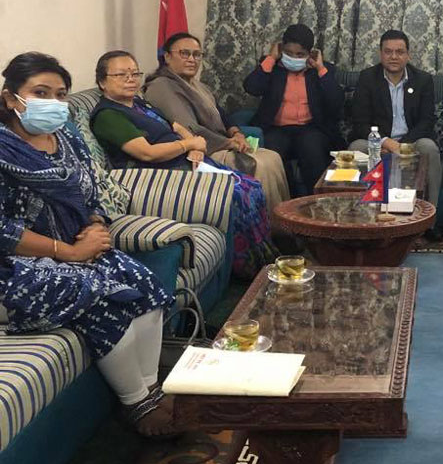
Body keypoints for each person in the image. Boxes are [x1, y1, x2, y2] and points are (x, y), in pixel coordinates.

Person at [0, 53, 173, 436]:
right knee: (101, 294)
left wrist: (95, 223)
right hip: (16, 264)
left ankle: (151, 390)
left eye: (60, 94)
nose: (53, 102)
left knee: (144, 283)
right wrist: (69, 252)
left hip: (78, 246)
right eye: (40, 92)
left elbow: (91, 191)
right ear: (12, 98)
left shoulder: (66, 137)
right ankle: (136, 403)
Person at [91, 51, 278, 278]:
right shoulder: (108, 115)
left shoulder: (140, 104)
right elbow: (147, 153)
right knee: (236, 193)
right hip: (158, 175)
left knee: (251, 185)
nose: (130, 79)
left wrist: (195, 147)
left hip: (186, 161)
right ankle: (248, 269)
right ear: (102, 82)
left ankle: (265, 257)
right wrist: (188, 144)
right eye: (121, 75)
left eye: (134, 73)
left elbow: (176, 126)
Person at [144, 32, 290, 209]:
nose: (192, 59)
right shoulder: (161, 86)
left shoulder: (198, 86)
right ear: (167, 56)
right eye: (184, 53)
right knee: (261, 164)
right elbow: (189, 128)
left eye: (197, 54)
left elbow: (222, 116)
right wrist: (229, 143)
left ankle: (282, 217)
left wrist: (236, 134)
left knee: (272, 157)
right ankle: (266, 221)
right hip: (202, 150)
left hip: (220, 143)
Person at [348, 29, 441, 239]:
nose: (394, 57)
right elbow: (360, 121)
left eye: (399, 52)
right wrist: (385, 142)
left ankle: (430, 221)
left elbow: (427, 121)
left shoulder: (423, 80)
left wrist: (402, 145)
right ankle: (361, 218)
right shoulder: (367, 78)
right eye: (388, 51)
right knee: (356, 148)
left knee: (429, 147)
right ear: (380, 54)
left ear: (408, 55)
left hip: (412, 140)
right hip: (378, 140)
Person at [242, 24, 344, 192]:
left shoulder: (321, 69)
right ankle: (282, 201)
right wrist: (271, 58)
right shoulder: (272, 66)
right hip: (277, 128)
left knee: (311, 147)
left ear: (310, 53)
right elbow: (251, 88)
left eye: (300, 54)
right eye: (288, 53)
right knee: (272, 151)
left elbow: (337, 102)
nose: (293, 58)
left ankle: (315, 200)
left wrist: (320, 68)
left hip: (311, 128)